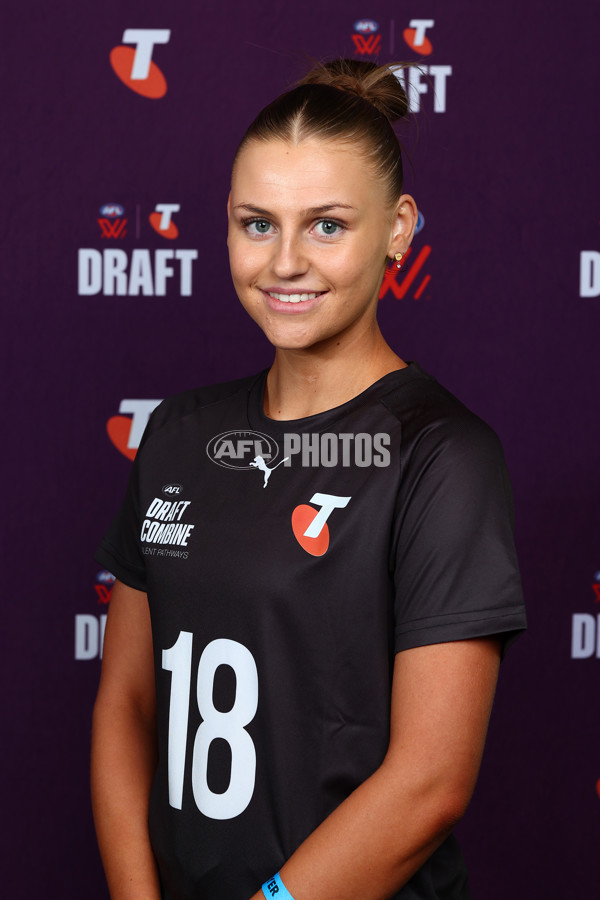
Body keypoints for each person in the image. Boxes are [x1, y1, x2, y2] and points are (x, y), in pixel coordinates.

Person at [91, 59, 526, 900]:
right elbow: (127, 706)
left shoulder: (440, 454)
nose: (285, 261)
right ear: (225, 224)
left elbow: (430, 784)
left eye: (327, 226)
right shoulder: (179, 435)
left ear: (399, 229)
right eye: (259, 224)